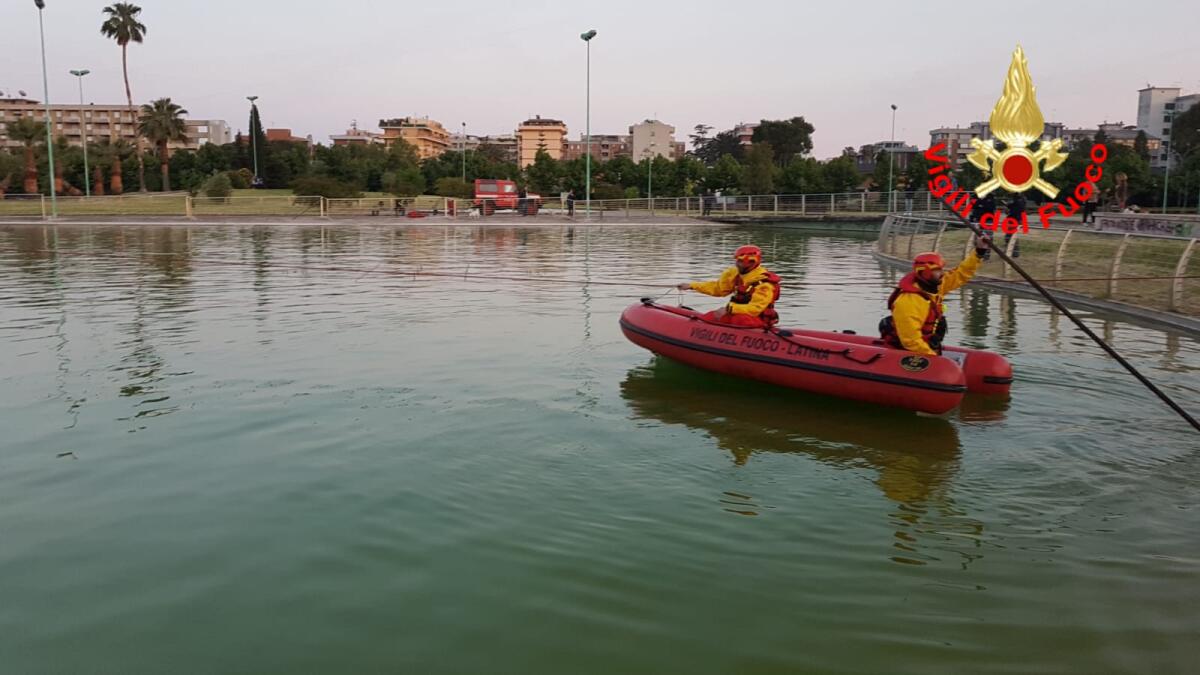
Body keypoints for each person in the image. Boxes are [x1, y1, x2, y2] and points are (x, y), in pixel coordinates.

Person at [879, 233, 991, 356]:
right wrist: (935, 359)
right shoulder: (909, 301)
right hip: (905, 351)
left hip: (926, 345)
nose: (942, 273)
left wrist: (979, 252)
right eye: (937, 270)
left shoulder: (936, 287)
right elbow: (911, 341)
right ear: (925, 272)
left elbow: (960, 274)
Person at [677, 245, 781, 328]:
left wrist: (729, 309)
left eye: (740, 261)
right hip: (736, 315)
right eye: (737, 261)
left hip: (755, 320)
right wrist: (692, 286)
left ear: (751, 262)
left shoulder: (764, 284)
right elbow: (718, 289)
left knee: (740, 320)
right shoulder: (736, 275)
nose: (737, 264)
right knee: (711, 317)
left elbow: (755, 309)